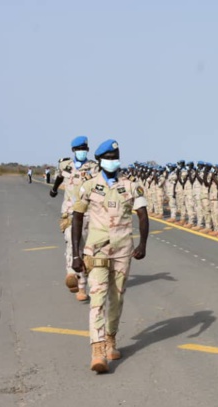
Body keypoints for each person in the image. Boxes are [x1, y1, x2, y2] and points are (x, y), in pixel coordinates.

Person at [71, 139, 148, 373]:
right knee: (97, 298)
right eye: (109, 158)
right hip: (97, 250)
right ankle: (97, 350)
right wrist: (76, 253)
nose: (113, 161)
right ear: (100, 160)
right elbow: (77, 217)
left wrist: (143, 244)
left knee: (116, 298)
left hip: (123, 250)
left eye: (116, 157)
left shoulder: (132, 186)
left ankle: (111, 338)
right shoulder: (89, 186)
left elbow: (143, 215)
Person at [50, 136, 99, 301]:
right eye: (79, 149)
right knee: (73, 245)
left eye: (84, 149)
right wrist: (54, 190)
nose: (82, 151)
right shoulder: (65, 165)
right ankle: (79, 284)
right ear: (73, 151)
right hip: (70, 214)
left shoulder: (93, 167)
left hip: (89, 213)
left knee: (88, 249)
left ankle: (90, 281)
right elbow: (58, 177)